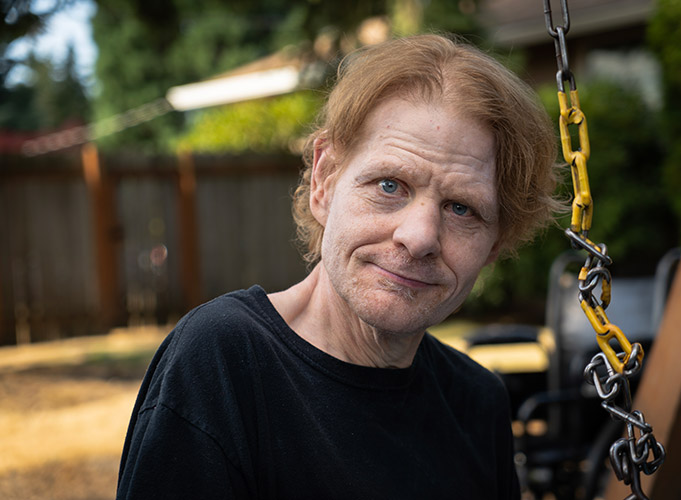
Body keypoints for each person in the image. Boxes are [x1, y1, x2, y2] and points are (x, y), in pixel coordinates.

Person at [117, 33, 559, 500]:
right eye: (390, 184)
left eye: (462, 209)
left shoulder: (478, 403)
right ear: (325, 181)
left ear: (495, 244)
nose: (421, 236)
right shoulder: (224, 361)